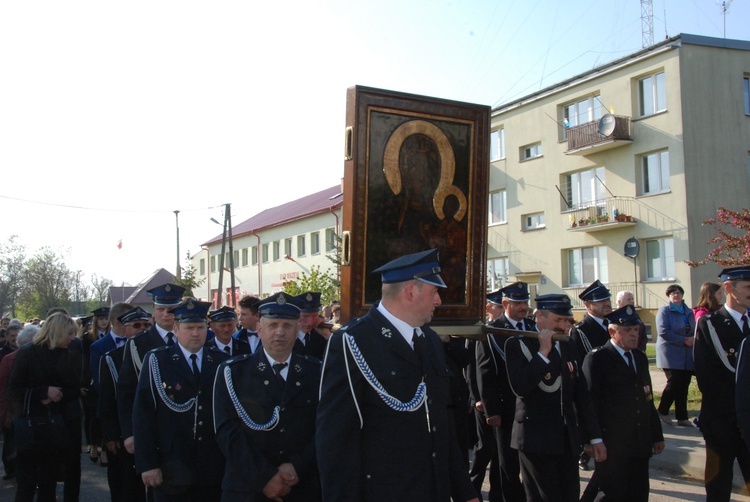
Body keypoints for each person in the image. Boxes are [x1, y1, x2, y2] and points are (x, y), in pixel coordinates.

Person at [316, 249, 478, 501]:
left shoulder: (430, 340)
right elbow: (336, 440)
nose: (439, 302)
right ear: (411, 291)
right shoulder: (353, 341)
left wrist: (465, 491)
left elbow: (442, 426)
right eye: (435, 292)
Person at [213, 292, 322, 501]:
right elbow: (227, 432)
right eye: (273, 326)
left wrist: (297, 466)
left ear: (297, 329)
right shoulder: (233, 373)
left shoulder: (316, 372)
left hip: (301, 485)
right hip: (247, 487)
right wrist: (265, 478)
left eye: (287, 326)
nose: (280, 332)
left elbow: (325, 427)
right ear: (260, 329)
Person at [504, 293, 605, 502]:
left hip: (566, 440)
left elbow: (581, 396)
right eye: (557, 320)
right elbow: (521, 387)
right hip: (535, 439)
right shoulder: (519, 344)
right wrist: (543, 353)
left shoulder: (568, 345)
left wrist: (594, 437)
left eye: (567, 320)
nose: (564, 325)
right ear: (539, 316)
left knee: (569, 496)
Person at [133, 298, 229, 502]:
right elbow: (143, 415)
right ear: (176, 329)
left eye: (200, 327)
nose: (195, 333)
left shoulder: (221, 362)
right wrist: (148, 463)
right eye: (189, 327)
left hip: (212, 466)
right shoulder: (158, 360)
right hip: (171, 466)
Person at [582, 305, 665, 501]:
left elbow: (647, 399)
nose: (634, 335)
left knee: (638, 493)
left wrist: (656, 434)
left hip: (639, 443)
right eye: (627, 331)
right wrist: (593, 440)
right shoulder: (598, 359)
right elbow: (589, 405)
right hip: (612, 444)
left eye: (636, 330)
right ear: (612, 332)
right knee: (613, 494)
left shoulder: (639, 358)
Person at [6, 313, 83, 502]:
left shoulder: (69, 353)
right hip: (31, 426)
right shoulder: (28, 353)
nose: (72, 338)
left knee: (49, 483)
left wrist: (59, 394)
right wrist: (42, 392)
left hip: (57, 427)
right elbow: (13, 390)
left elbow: (75, 388)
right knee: (27, 483)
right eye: (69, 334)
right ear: (57, 332)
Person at [696, 266, 750, 500]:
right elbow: (707, 377)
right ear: (728, 288)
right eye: (748, 287)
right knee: (719, 488)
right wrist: (737, 414)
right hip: (722, 421)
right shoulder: (710, 324)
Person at [476, 284, 531, 501]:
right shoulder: (492, 331)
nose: (523, 308)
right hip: (506, 407)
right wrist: (492, 410)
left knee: (527, 461)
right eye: (517, 303)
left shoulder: (532, 327)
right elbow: (485, 372)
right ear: (505, 304)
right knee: (507, 462)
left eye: (525, 303)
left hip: (530, 406)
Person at [118, 283, 185, 457]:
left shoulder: (195, 337)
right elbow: (126, 391)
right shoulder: (138, 343)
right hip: (154, 425)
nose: (165, 314)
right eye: (160, 309)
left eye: (171, 309)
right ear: (154, 309)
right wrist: (129, 432)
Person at [98, 307, 149, 502]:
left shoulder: (159, 354)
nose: (142, 329)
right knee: (126, 485)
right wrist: (110, 434)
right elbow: (107, 399)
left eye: (146, 325)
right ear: (125, 329)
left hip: (149, 430)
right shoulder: (112, 358)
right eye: (136, 325)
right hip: (123, 431)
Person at [570, 280, 612, 473]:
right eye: (600, 300)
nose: (606, 303)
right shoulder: (581, 331)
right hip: (595, 391)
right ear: (587, 305)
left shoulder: (613, 324)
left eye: (607, 299)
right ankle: (584, 451)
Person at [468, 289, 504, 501]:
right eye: (498, 306)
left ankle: (497, 494)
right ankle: (473, 490)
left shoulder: (504, 330)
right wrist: (476, 397)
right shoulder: (480, 330)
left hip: (500, 400)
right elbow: (473, 368)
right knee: (484, 448)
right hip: (483, 400)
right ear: (489, 308)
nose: (501, 309)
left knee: (500, 452)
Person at [0, 325, 38, 481]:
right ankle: (12, 468)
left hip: (34, 409)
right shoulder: (8, 359)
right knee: (13, 440)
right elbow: (4, 388)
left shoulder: (41, 360)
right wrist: (6, 412)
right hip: (16, 409)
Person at [655, 284, 696, 427]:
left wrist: (692, 339)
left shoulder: (688, 311)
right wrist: (683, 340)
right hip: (670, 352)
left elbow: (694, 328)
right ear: (669, 296)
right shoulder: (664, 311)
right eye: (672, 293)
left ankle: (682, 417)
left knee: (684, 384)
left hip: (686, 353)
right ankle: (662, 410)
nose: (676, 295)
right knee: (674, 382)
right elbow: (663, 331)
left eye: (678, 292)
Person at [86, 306, 117, 466]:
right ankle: (94, 444)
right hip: (92, 385)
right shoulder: (87, 338)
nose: (104, 321)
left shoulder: (114, 338)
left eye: (106, 319)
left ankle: (104, 449)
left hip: (109, 383)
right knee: (94, 417)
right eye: (101, 319)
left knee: (106, 417)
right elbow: (84, 363)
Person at [293, 292, 331, 360]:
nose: (310, 322)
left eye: (314, 316)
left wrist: (328, 336)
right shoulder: (287, 336)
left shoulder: (320, 335)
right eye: (305, 316)